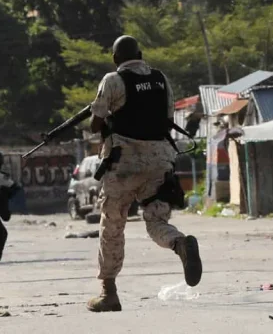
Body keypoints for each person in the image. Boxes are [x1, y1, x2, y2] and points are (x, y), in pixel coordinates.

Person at [86, 35, 202, 312]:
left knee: (112, 227)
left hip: (123, 164)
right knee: (155, 220)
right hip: (160, 162)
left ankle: (109, 293)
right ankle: (180, 243)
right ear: (141, 53)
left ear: (115, 60)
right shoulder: (161, 79)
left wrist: (106, 115)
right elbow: (168, 118)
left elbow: (94, 124)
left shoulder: (112, 80)